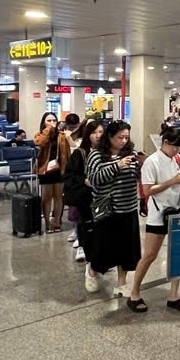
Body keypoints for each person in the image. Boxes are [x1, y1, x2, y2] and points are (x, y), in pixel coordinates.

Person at [130, 126, 180, 311]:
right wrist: (172, 181)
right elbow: (148, 190)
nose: (177, 150)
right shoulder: (152, 162)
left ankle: (174, 294)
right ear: (165, 143)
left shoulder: (178, 158)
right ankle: (134, 292)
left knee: (178, 254)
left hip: (178, 210)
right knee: (150, 255)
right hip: (158, 214)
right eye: (175, 147)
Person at [85, 121, 142, 300]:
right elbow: (94, 179)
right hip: (107, 209)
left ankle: (121, 282)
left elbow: (137, 178)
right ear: (109, 137)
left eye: (126, 137)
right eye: (120, 137)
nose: (124, 141)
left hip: (129, 207)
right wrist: (117, 166)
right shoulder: (96, 155)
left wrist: (141, 165)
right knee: (104, 248)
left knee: (126, 249)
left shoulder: (130, 154)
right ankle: (92, 270)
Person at [62, 118, 102, 264]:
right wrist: (83, 180)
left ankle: (98, 255)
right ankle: (86, 250)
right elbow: (70, 175)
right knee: (86, 224)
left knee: (99, 226)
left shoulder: (105, 152)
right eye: (94, 132)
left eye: (100, 132)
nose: (98, 136)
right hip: (85, 197)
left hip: (101, 197)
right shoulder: (81, 153)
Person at [35, 112, 71, 233]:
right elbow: (40, 143)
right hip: (45, 170)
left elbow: (67, 152)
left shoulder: (61, 136)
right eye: (49, 121)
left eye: (54, 121)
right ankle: (47, 223)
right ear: (43, 123)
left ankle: (57, 223)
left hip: (59, 169)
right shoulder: (40, 135)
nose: (52, 123)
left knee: (58, 197)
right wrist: (48, 129)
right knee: (46, 197)